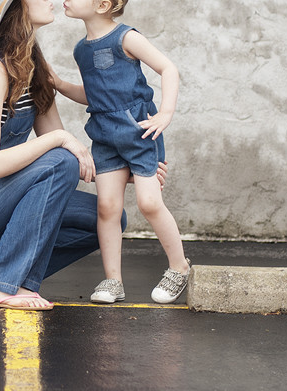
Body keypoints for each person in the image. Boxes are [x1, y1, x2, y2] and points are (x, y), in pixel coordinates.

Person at [0, 0, 168, 310]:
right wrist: (61, 139)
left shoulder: (33, 68)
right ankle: (3, 285)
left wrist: (132, 169)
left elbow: (71, 160)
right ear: (16, 7)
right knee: (58, 158)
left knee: (109, 218)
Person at [51, 0, 191, 304]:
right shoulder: (80, 50)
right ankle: (113, 280)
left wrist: (165, 113)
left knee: (150, 203)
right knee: (107, 208)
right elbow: (94, 93)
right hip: (104, 136)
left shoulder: (126, 38)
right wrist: (60, 85)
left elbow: (168, 68)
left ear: (103, 5)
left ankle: (179, 267)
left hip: (140, 131)